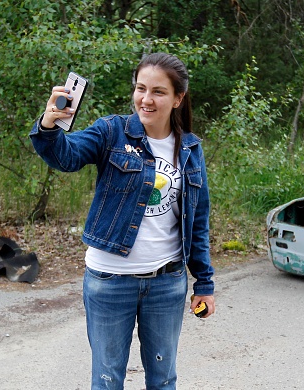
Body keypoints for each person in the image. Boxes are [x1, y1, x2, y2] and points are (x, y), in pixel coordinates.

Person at [30, 52, 215, 389]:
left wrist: (204, 283)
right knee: (107, 379)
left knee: (163, 379)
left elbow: (197, 220)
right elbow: (65, 156)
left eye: (158, 92)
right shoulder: (111, 132)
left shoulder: (189, 148)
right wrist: (49, 124)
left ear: (178, 98)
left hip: (167, 282)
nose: (146, 99)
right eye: (141, 88)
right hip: (110, 281)